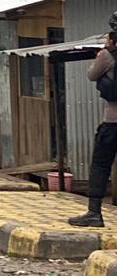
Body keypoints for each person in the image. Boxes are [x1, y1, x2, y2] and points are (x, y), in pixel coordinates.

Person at [69, 28, 117, 227]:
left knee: (100, 164)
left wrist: (102, 54)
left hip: (113, 122)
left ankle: (94, 213)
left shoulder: (107, 55)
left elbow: (91, 74)